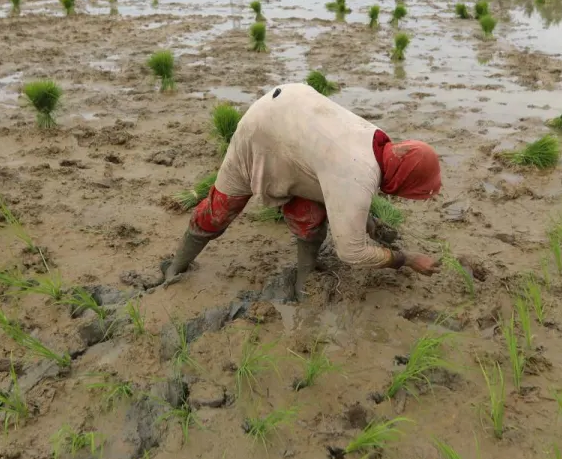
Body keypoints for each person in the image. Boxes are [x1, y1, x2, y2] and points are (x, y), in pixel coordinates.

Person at [163, 83, 442, 298]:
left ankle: (304, 279)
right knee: (219, 211)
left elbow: (341, 188)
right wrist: (406, 259)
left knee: (310, 214)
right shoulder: (356, 174)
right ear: (404, 179)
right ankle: (177, 267)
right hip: (262, 129)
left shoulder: (378, 144)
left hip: (293, 112)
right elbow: (352, 252)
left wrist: (369, 222)